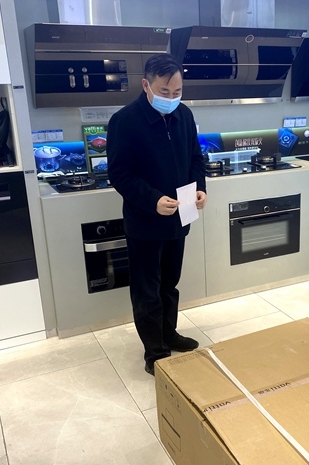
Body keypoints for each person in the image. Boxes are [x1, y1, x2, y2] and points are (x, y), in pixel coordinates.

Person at [107, 54, 207, 376]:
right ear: (146, 85)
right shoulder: (125, 121)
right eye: (165, 92)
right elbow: (119, 174)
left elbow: (195, 158)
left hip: (180, 217)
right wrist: (153, 200)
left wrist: (199, 188)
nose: (172, 98)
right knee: (147, 290)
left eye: (177, 92)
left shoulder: (184, 115)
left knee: (170, 284)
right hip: (145, 222)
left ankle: (169, 333)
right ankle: (155, 352)